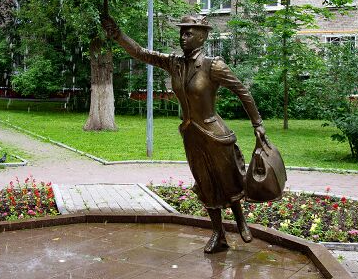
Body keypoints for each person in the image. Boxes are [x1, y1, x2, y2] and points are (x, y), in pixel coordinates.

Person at [102, 14, 268, 253]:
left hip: (215, 134)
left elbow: (242, 92)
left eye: (188, 33)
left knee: (228, 179)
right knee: (205, 184)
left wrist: (257, 123)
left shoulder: (213, 65)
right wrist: (118, 34)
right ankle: (218, 234)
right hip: (191, 134)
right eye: (182, 32)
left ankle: (241, 221)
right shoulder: (175, 63)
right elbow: (140, 52)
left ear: (202, 37)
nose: (183, 37)